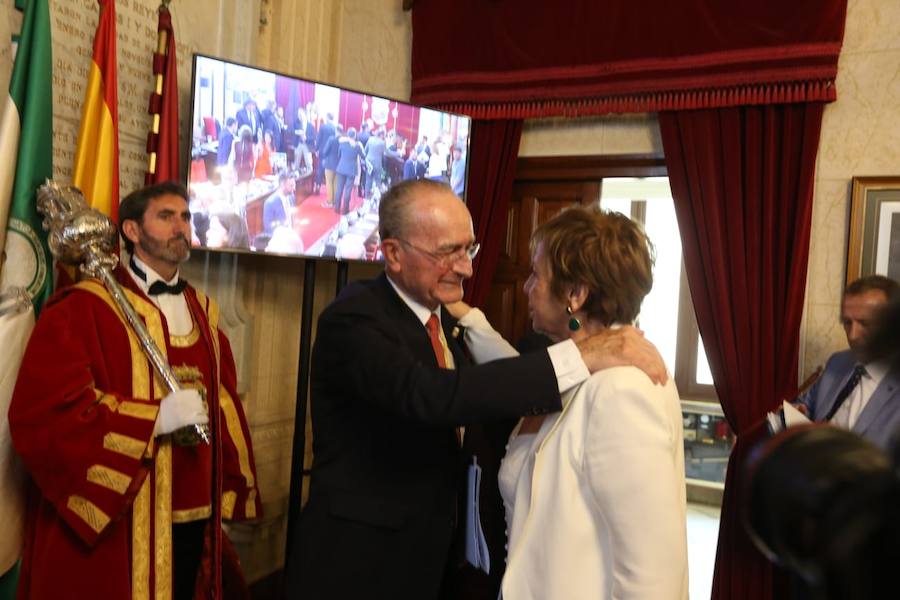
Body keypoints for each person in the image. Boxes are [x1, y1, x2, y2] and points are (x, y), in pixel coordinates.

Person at [284, 180, 669, 599]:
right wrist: (583, 354)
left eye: (468, 249)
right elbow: (434, 395)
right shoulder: (354, 319)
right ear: (393, 254)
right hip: (359, 568)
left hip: (439, 565)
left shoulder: (447, 318)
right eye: (446, 253)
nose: (466, 267)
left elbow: (648, 562)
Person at [9, 182, 261, 599]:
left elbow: (225, 403)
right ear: (130, 230)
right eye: (166, 216)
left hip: (195, 516)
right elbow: (44, 415)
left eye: (185, 216)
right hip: (122, 520)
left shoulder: (205, 311)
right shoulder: (83, 309)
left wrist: (228, 491)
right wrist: (155, 418)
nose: (182, 226)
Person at [447, 206, 688, 599]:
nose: (526, 287)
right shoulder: (579, 370)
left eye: (536, 275)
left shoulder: (620, 389)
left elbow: (651, 570)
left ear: (575, 294)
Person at [798, 275, 900, 448]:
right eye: (847, 322)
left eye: (866, 323)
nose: (852, 335)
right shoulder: (837, 362)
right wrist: (798, 413)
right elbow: (805, 404)